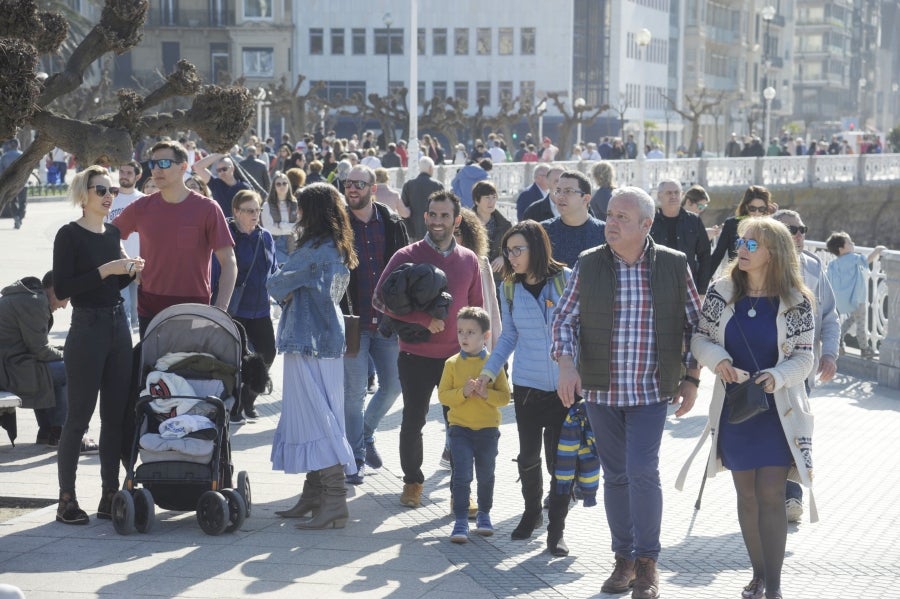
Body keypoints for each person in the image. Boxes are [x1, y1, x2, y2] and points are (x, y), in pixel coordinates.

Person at [552, 187, 702, 598]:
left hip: (651, 391)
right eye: (610, 215)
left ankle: (648, 563)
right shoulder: (589, 263)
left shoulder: (674, 265)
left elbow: (697, 324)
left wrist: (692, 378)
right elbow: (563, 320)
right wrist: (566, 364)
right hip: (602, 392)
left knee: (642, 470)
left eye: (622, 217)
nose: (612, 223)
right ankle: (624, 559)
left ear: (646, 224)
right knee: (616, 476)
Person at [679, 217, 816, 599]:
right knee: (748, 496)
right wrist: (719, 360)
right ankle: (758, 574)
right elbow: (700, 339)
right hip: (736, 409)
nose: (742, 249)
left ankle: (774, 587)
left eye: (752, 244)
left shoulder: (797, 300)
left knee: (771, 493)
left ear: (774, 253)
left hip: (778, 412)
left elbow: (805, 357)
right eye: (741, 242)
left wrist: (777, 375)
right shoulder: (721, 292)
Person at [374, 190, 483, 509]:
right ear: (425, 217)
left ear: (457, 220)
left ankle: (462, 489)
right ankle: (412, 483)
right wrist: (423, 320)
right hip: (415, 355)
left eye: (444, 215)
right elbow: (379, 300)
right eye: (432, 214)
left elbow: (477, 308)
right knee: (413, 421)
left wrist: (481, 353)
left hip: (457, 359)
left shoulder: (469, 259)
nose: (437, 221)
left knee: (461, 425)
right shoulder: (406, 255)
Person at [52, 165, 144, 525]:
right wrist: (107, 270)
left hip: (118, 325)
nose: (109, 196)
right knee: (78, 418)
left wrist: (129, 272)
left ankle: (109, 494)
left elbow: (111, 286)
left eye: (112, 190)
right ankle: (66, 500)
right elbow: (63, 289)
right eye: (101, 190)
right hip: (86, 328)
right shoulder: (69, 235)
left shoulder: (113, 232)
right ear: (84, 195)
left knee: (115, 416)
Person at [476, 220, 574, 553]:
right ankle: (532, 512)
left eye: (518, 249)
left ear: (537, 247)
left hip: (564, 387)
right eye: (508, 251)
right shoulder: (509, 287)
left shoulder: (565, 279)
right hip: (527, 385)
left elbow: (580, 328)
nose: (512, 257)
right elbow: (509, 336)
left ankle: (557, 529)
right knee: (528, 455)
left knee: (559, 461)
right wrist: (487, 373)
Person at [268, 182, 359, 530]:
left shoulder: (312, 249)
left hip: (306, 340)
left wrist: (291, 288)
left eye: (300, 205)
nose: (297, 211)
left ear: (313, 211)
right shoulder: (337, 246)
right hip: (329, 341)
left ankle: (333, 499)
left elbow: (275, 284)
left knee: (316, 418)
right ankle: (315, 494)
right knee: (322, 414)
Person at [113, 140, 237, 337]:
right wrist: (130, 267)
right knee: (151, 359)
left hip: (195, 308)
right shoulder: (141, 207)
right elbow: (110, 235)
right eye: (153, 163)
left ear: (183, 167)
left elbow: (229, 262)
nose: (156, 169)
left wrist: (220, 310)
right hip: (150, 307)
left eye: (164, 163)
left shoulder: (208, 208)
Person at [338, 165, 409, 485]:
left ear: (373, 188)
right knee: (354, 393)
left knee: (394, 385)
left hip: (387, 322)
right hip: (352, 322)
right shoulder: (338, 224)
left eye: (358, 183)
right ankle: (354, 457)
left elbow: (405, 268)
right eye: (347, 183)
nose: (352, 188)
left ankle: (366, 433)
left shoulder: (391, 222)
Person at [772, 209, 839, 522]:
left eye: (802, 229)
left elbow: (829, 315)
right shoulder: (758, 264)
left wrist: (830, 354)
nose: (799, 235)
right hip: (766, 366)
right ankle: (767, 494)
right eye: (792, 230)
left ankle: (791, 497)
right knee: (771, 432)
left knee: (795, 430)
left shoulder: (813, 265)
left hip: (802, 367)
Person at [438, 306, 510, 543]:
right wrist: (463, 392)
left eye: (471, 332)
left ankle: (484, 515)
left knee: (486, 475)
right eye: (460, 331)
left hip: (488, 430)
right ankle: (460, 520)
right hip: (459, 429)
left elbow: (505, 397)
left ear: (485, 336)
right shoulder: (451, 364)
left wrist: (487, 394)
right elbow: (443, 396)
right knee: (462, 475)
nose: (464, 337)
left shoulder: (493, 364)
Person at [212, 190, 276, 421]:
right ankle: (235, 405)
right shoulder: (226, 235)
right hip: (234, 308)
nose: (255, 214)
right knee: (236, 359)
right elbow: (216, 272)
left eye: (258, 209)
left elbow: (273, 269)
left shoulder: (265, 236)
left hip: (261, 308)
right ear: (236, 211)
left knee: (268, 353)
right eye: (249, 210)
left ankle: (249, 398)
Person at [0, 272, 69, 446]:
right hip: (9, 370)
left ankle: (48, 430)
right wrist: (69, 355)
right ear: (55, 290)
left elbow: (35, 348)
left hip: (9, 365)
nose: (64, 306)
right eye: (66, 298)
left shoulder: (25, 297)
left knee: (47, 369)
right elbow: (40, 351)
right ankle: (61, 431)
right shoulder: (35, 302)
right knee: (70, 369)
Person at [825, 231, 886, 358]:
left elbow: (828, 279)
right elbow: (867, 260)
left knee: (852, 318)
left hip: (842, 300)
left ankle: (839, 338)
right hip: (857, 298)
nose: (853, 243)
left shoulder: (833, 264)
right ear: (841, 249)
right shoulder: (852, 258)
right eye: (849, 242)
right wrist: (877, 250)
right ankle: (865, 349)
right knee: (861, 324)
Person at [649, 179, 712, 294]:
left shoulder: (694, 221)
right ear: (659, 196)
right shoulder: (650, 223)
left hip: (688, 287)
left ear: (682, 195)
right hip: (657, 288)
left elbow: (705, 256)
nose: (673, 196)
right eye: (669, 193)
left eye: (676, 192)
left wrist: (702, 290)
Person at [540, 170, 605, 267]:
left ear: (586, 199)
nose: (561, 196)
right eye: (558, 191)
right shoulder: (542, 231)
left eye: (568, 191)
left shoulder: (604, 232)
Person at [107, 161, 144, 328]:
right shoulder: (109, 199)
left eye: (129, 173)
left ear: (138, 176)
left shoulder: (144, 200)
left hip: (140, 264)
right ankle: (126, 343)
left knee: (137, 314)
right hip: (119, 263)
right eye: (122, 172)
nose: (124, 176)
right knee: (124, 309)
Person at [709, 185, 773, 276]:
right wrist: (702, 282)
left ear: (766, 208)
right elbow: (717, 256)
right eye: (752, 208)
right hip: (737, 276)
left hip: (762, 278)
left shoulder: (770, 226)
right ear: (746, 206)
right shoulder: (731, 224)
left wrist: (774, 216)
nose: (757, 213)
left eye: (761, 209)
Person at [471, 181, 511, 282]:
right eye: (487, 198)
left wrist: (504, 257)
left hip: (497, 279)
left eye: (494, 197)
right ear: (476, 201)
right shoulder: (465, 224)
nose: (491, 202)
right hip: (472, 277)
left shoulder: (505, 225)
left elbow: (514, 248)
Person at [193, 153, 252, 218]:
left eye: (224, 169)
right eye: (219, 170)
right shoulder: (215, 184)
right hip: (221, 223)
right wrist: (220, 154)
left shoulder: (244, 187)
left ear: (232, 168)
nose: (222, 172)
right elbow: (197, 167)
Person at [400, 156, 444, 242]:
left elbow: (403, 208)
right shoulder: (438, 185)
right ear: (430, 168)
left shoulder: (408, 185)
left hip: (413, 231)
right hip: (434, 230)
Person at [261, 172, 298, 265]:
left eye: (284, 183)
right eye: (278, 184)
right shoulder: (266, 205)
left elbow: (300, 226)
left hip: (293, 244)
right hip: (275, 243)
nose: (282, 186)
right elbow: (268, 228)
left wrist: (280, 225)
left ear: (288, 185)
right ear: (274, 186)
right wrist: (291, 228)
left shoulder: (295, 203)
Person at [0, 139, 26, 229]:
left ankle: (16, 217)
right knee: (22, 202)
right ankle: (19, 217)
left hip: (9, 184)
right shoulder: (23, 155)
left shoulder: (4, 156)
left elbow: (1, 172)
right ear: (18, 145)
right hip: (22, 182)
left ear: (10, 146)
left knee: (12, 201)